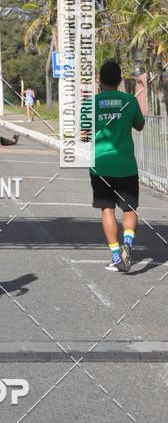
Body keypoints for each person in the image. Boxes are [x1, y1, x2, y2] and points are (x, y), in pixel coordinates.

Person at [85, 59, 144, 273]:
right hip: (126, 164)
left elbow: (83, 133)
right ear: (120, 80)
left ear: (99, 81)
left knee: (107, 209)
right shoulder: (130, 100)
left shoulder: (90, 103)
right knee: (129, 208)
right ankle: (128, 242)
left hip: (100, 164)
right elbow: (139, 125)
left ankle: (117, 255)